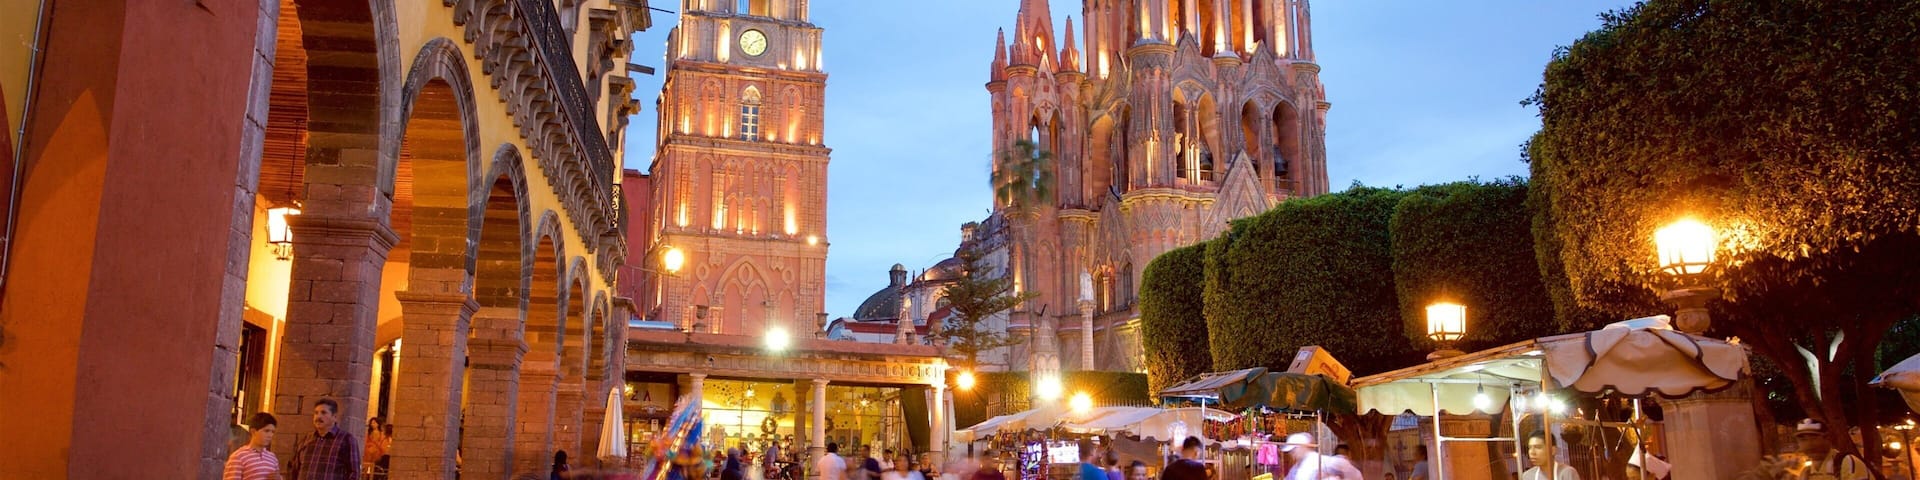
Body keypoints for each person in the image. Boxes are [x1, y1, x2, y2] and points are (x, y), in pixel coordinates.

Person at [288, 398, 361, 480]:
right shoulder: (306, 440)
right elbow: (294, 469)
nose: (318, 416)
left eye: (323, 413)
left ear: (334, 417)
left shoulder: (347, 440)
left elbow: (354, 473)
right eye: (316, 413)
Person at [1792, 418, 1870, 480]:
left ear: (1828, 438)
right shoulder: (1807, 472)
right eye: (1803, 440)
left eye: (1813, 438)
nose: (1809, 444)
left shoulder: (1847, 463)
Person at [224, 412, 281, 480]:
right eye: (266, 431)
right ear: (253, 431)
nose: (270, 435)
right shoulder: (238, 457)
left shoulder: (273, 458)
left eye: (272, 432)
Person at [1280, 433, 1361, 480]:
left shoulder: (1321, 462)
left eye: (1294, 449)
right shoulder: (1296, 468)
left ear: (1303, 446)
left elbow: (1354, 474)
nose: (1292, 453)